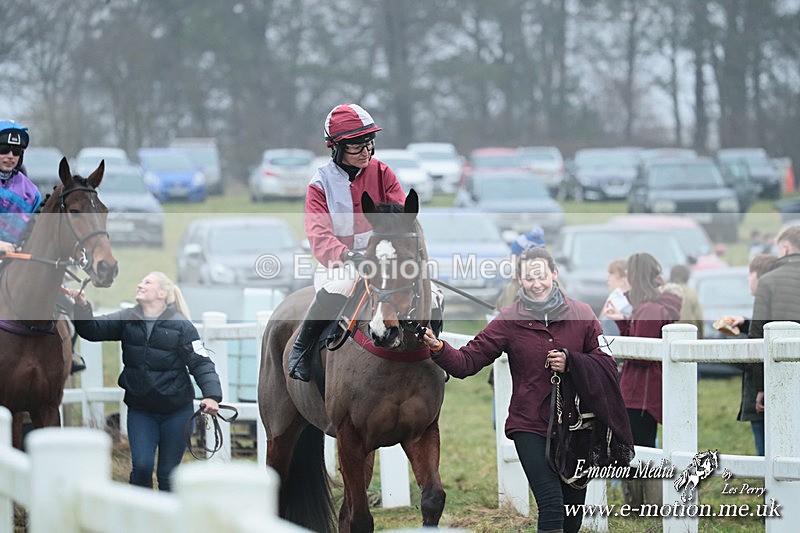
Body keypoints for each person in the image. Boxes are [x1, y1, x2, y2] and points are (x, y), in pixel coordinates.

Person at [421, 247, 633, 533]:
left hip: (576, 428)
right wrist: (438, 348)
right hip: (529, 425)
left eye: (541, 276)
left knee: (573, 509)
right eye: (529, 278)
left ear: (554, 274)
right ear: (520, 281)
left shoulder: (582, 314)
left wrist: (573, 362)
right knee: (552, 502)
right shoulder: (508, 320)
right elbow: (467, 362)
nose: (536, 284)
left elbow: (607, 364)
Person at [290, 103, 441, 382]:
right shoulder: (320, 184)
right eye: (357, 147)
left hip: (385, 258)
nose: (366, 152)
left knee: (434, 296)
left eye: (369, 144)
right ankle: (301, 348)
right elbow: (319, 235)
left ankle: (435, 356)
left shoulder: (383, 172)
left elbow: (403, 219)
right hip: (341, 260)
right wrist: (349, 256)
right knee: (339, 287)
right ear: (336, 148)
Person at [71, 272, 222, 491]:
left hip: (177, 413)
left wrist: (212, 395)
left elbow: (201, 363)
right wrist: (82, 306)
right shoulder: (127, 318)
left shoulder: (182, 326)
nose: (140, 285)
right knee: (141, 469)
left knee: (168, 477)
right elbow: (91, 330)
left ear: (162, 293)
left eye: (147, 282)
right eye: (141, 281)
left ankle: (168, 524)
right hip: (141, 411)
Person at [604, 252, 682, 506]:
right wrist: (623, 323)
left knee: (639, 448)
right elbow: (641, 342)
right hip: (642, 391)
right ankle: (642, 503)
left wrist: (622, 337)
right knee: (640, 446)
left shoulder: (649, 308)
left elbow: (642, 354)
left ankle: (643, 504)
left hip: (640, 393)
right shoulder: (652, 306)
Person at [714, 252, 778, 456]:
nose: (747, 280)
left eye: (750, 274)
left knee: (765, 452)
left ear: (760, 277)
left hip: (761, 395)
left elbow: (758, 351)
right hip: (766, 392)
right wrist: (744, 324)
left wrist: (728, 346)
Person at [745, 227, 800, 456]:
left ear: (785, 248)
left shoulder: (768, 282)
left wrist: (761, 387)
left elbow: (758, 335)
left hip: (781, 374)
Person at [0, 120, 42, 254]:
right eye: (4, 149)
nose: (10, 156)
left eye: (16, 151)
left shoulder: (32, 193)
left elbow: (35, 233)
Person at [494, 226, 546, 308]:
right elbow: (500, 310)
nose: (511, 259)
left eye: (514, 255)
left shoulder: (547, 289)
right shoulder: (513, 285)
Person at [669, 264, 704, 339]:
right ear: (687, 277)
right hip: (688, 334)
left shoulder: (664, 292)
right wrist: (701, 337)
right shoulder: (691, 294)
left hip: (669, 335)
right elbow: (699, 318)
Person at [599, 259, 630, 336]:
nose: (607, 279)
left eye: (610, 275)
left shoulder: (621, 300)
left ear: (622, 280)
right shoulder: (614, 295)